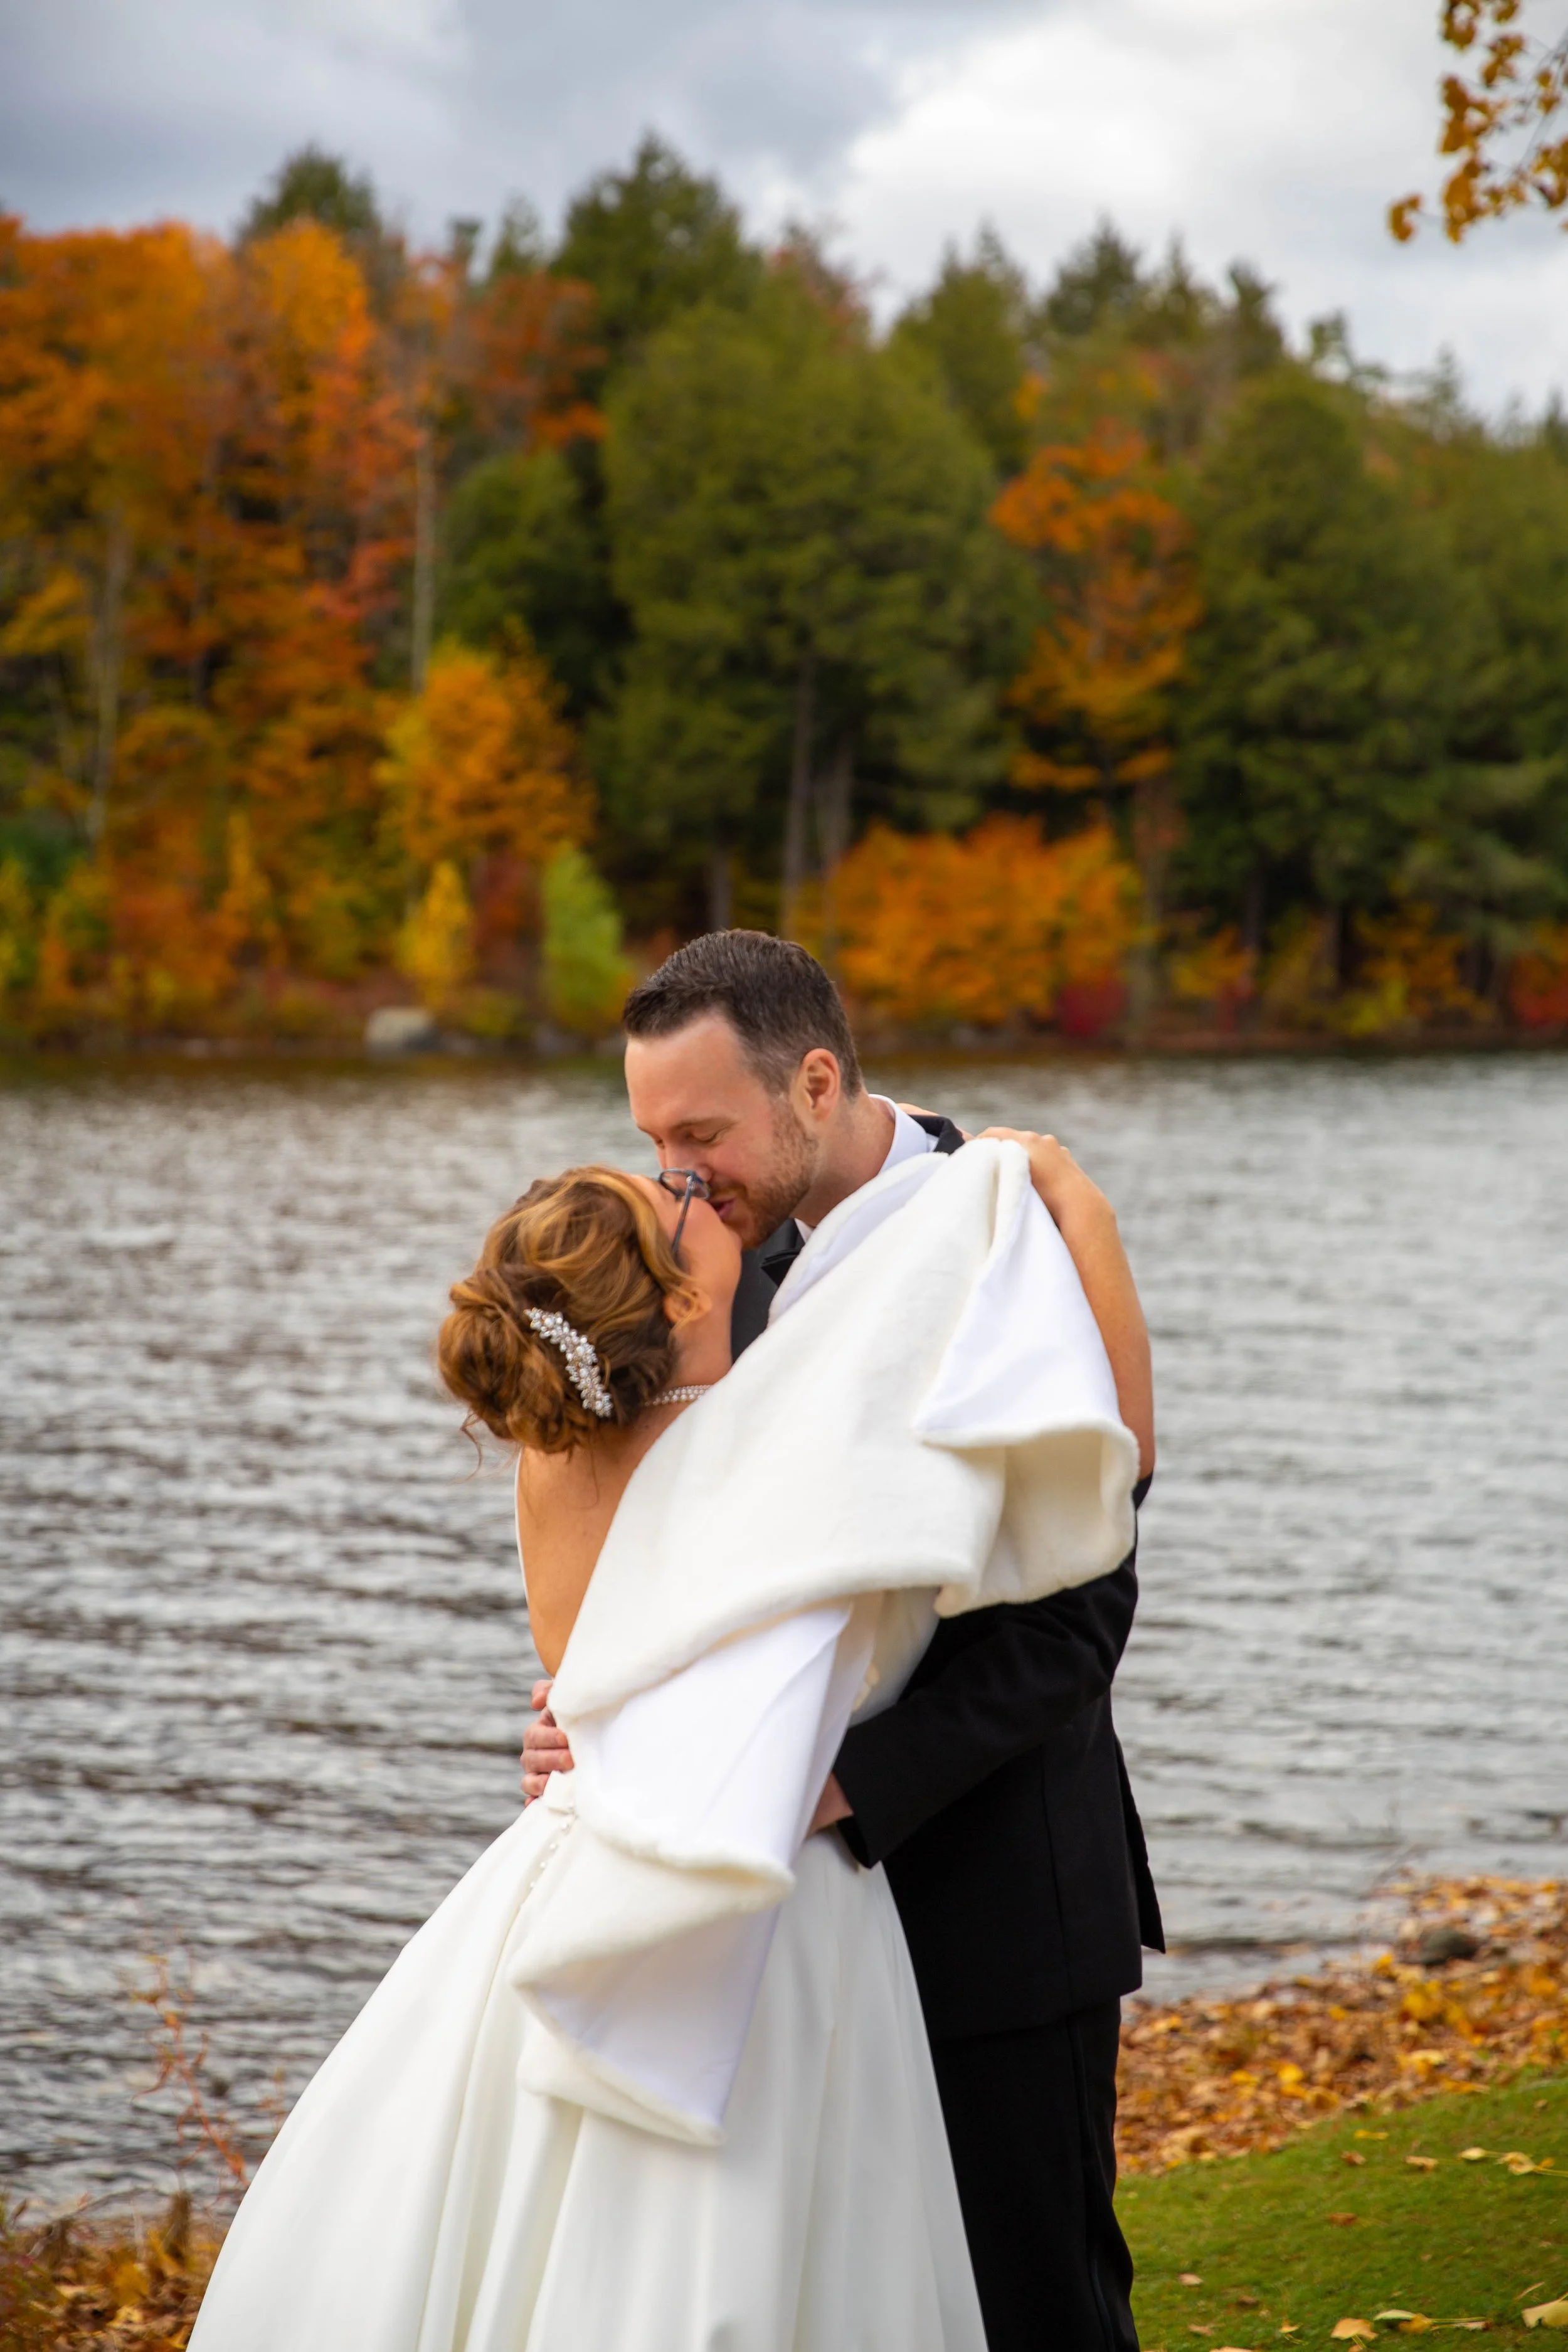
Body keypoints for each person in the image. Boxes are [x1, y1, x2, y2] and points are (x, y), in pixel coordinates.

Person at [189, 1066, 1145, 2348]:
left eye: (689, 1152)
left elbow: (612, 1656)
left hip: (585, 1864)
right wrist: (1072, 1201)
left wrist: (580, 1724)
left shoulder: (557, 1445)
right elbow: (1110, 1463)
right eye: (665, 1180)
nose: (691, 1183)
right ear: (682, 1291)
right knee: (759, 2247)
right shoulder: (776, 1442)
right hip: (772, 1900)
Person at [525, 930, 1163, 2352]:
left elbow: (1077, 1618)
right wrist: (606, 1719)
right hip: (770, 1935)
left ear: (812, 1082)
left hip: (990, 1900)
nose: (679, 1174)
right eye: (652, 1140)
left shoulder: (1012, 1228)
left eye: (702, 1133)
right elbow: (685, 1565)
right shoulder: (702, 1268)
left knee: (1034, 2306)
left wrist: (836, 1788)